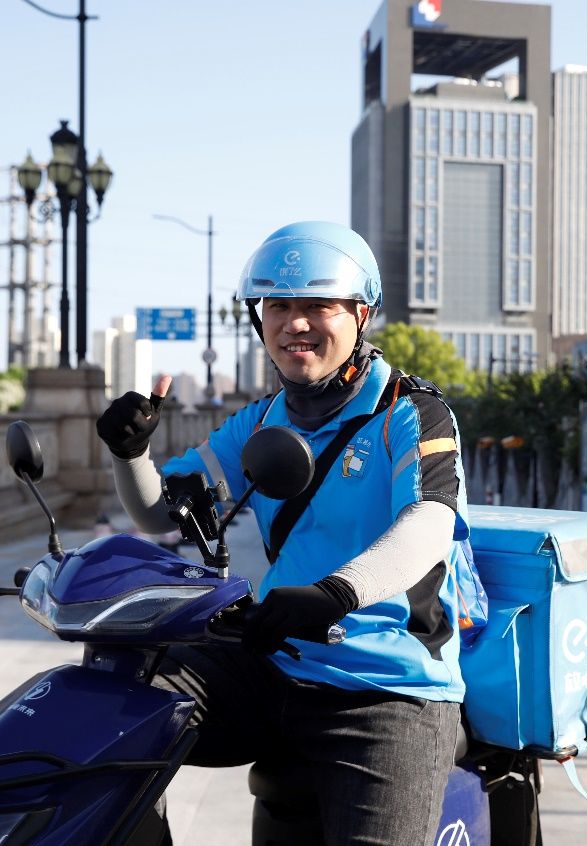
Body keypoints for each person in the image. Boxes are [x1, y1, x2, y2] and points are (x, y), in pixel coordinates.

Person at [97, 221, 472, 846]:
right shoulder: (260, 421)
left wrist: (334, 593)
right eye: (279, 306)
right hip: (276, 664)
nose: (295, 323)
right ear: (259, 318)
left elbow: (430, 522)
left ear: (360, 315)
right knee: (109, 710)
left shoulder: (412, 413)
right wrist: (130, 453)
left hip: (386, 686)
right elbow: (165, 516)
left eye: (316, 306)